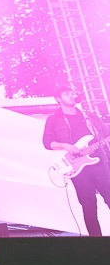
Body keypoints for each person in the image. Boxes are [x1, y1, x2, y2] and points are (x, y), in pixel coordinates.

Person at [43, 87, 110, 236]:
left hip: (99, 164)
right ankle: (97, 243)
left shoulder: (88, 115)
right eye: (67, 94)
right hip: (78, 169)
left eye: (73, 93)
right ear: (58, 99)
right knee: (89, 206)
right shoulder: (54, 119)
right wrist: (64, 145)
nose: (72, 95)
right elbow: (47, 142)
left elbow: (105, 133)